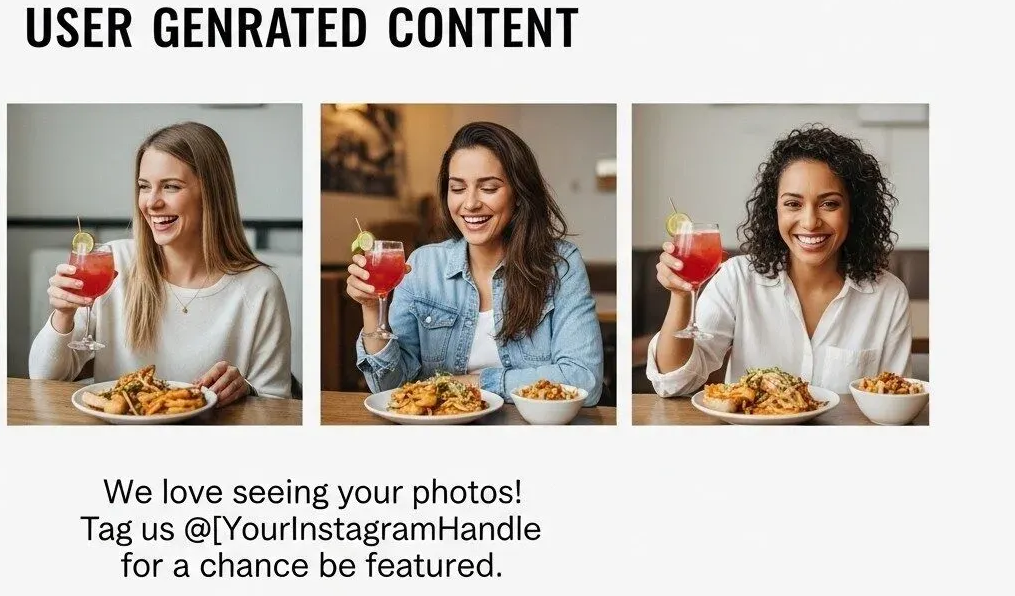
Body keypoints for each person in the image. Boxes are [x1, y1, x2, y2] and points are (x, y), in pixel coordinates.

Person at [29, 121, 293, 404]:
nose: (151, 203)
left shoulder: (260, 287)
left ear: (211, 194)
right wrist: (62, 316)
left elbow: (277, 405)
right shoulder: (113, 264)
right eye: (144, 187)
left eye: (170, 187)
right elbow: (44, 379)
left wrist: (247, 390)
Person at [345, 121, 604, 405]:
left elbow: (584, 380)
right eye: (457, 188)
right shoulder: (422, 266)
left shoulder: (560, 264)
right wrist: (371, 309)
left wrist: (472, 383)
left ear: (518, 194)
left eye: (488, 188)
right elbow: (389, 386)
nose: (470, 204)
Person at [647, 125, 911, 396]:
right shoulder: (737, 279)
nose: (809, 222)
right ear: (774, 211)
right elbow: (673, 383)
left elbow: (895, 402)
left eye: (829, 204)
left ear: (854, 211)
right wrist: (681, 295)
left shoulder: (888, 296)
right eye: (793, 204)